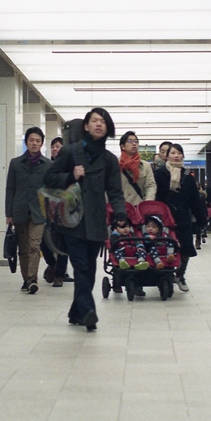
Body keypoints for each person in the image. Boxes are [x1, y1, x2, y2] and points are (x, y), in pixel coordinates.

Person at [44, 108, 128, 331]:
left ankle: (75, 311)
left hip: (96, 220)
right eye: (94, 121)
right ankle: (89, 311)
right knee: (81, 267)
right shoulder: (71, 152)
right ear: (86, 126)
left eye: (103, 121)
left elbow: (115, 191)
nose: (99, 124)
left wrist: (121, 214)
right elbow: (49, 177)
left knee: (89, 270)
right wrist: (71, 175)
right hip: (72, 219)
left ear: (108, 128)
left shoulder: (109, 160)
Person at [153, 144, 207, 292]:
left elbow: (194, 200)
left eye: (179, 153)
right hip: (162, 218)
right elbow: (156, 197)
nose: (176, 156)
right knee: (162, 246)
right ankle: (163, 274)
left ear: (183, 156)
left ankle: (180, 275)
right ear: (167, 156)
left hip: (183, 217)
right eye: (173, 153)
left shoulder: (187, 177)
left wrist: (202, 218)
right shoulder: (159, 174)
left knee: (185, 247)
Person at [6, 127, 52, 292]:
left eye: (38, 141)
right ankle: (26, 279)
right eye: (31, 140)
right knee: (23, 248)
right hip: (19, 210)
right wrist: (8, 213)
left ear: (41, 143)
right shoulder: (16, 163)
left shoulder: (48, 165)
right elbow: (10, 189)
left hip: (39, 212)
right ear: (26, 141)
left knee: (34, 245)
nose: (34, 143)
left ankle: (32, 279)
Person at [41, 136, 72, 285]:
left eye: (58, 146)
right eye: (53, 146)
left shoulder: (68, 168)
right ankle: (51, 264)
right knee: (43, 241)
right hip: (46, 209)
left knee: (62, 242)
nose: (54, 149)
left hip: (64, 211)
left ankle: (59, 275)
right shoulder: (46, 165)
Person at [119, 131, 157, 205]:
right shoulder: (115, 165)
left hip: (139, 208)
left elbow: (150, 186)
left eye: (136, 141)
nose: (134, 144)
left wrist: (147, 203)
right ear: (123, 146)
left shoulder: (145, 166)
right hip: (120, 208)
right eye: (129, 141)